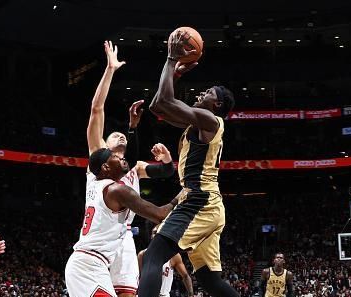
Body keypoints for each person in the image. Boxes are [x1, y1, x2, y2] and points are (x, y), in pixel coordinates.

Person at [137, 30, 237, 297]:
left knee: (153, 256)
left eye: (207, 93)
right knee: (211, 281)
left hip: (200, 200)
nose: (201, 93)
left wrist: (171, 60)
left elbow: (167, 101)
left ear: (216, 104)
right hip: (206, 202)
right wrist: (176, 72)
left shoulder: (209, 120)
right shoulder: (197, 123)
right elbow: (158, 106)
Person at [83, 40, 175, 297]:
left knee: (127, 293)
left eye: (122, 136)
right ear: (104, 148)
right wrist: (110, 69)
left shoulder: (134, 169)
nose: (119, 137)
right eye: (114, 136)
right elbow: (96, 109)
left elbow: (165, 173)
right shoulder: (98, 162)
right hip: (97, 242)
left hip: (123, 237)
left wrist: (167, 160)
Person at [65, 147, 178, 297]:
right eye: (115, 157)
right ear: (105, 167)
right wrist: (181, 196)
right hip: (88, 268)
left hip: (89, 265)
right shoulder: (117, 190)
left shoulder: (93, 182)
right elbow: (160, 215)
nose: (122, 158)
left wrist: (132, 127)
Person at [137, 225, 194, 297]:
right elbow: (139, 277)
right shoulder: (142, 254)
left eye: (159, 233)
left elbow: (185, 276)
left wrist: (191, 294)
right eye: (154, 233)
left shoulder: (174, 256)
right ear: (151, 236)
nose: (156, 235)